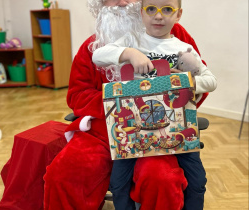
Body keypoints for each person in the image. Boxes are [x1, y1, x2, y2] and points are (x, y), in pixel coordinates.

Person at [43, 0, 215, 209]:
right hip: (101, 133)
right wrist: (120, 104)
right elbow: (77, 95)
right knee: (61, 175)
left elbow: (201, 83)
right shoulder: (93, 46)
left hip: (158, 131)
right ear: (100, 4)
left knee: (162, 178)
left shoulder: (174, 34)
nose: (123, 2)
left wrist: (180, 88)